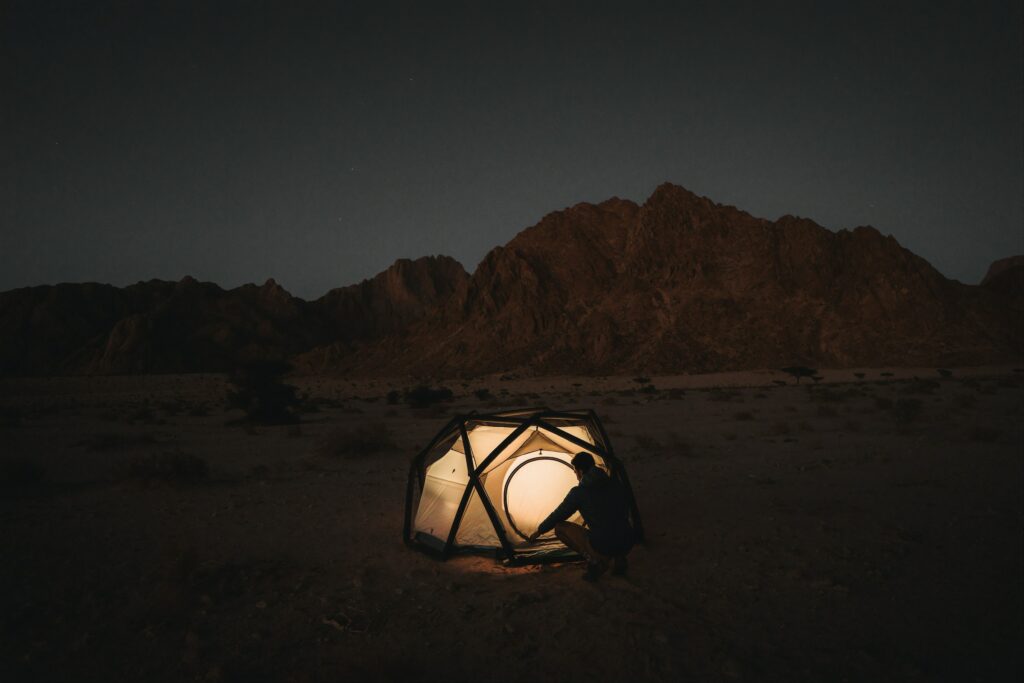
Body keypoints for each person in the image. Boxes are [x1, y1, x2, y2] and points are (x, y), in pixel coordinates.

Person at [527, 451, 635, 581]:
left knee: (560, 528)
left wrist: (540, 530)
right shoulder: (612, 482)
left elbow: (558, 514)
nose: (575, 474)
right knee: (612, 527)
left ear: (581, 471)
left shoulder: (579, 493)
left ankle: (596, 561)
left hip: (604, 543)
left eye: (575, 470)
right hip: (628, 539)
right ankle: (619, 558)